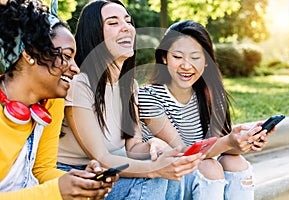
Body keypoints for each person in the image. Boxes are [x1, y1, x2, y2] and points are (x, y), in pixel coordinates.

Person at [57, 1, 204, 200]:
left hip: (105, 173)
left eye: (128, 21)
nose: (127, 27)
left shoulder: (129, 85)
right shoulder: (79, 84)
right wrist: (155, 169)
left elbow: (133, 148)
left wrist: (155, 144)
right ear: (94, 34)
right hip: (74, 176)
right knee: (155, 177)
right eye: (113, 23)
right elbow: (101, 157)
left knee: (173, 168)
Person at [138, 20, 272, 200]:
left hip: (198, 174)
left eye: (195, 57)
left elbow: (215, 148)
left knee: (234, 162)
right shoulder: (149, 96)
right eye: (177, 57)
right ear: (164, 58)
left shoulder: (210, 95)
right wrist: (230, 141)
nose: (186, 65)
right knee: (210, 167)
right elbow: (184, 151)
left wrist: (244, 141)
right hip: (165, 180)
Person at [0, 0, 118, 199]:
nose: (75, 68)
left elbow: (42, 170)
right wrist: (56, 191)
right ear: (29, 54)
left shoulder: (52, 103)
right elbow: (49, 191)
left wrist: (80, 181)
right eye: (66, 56)